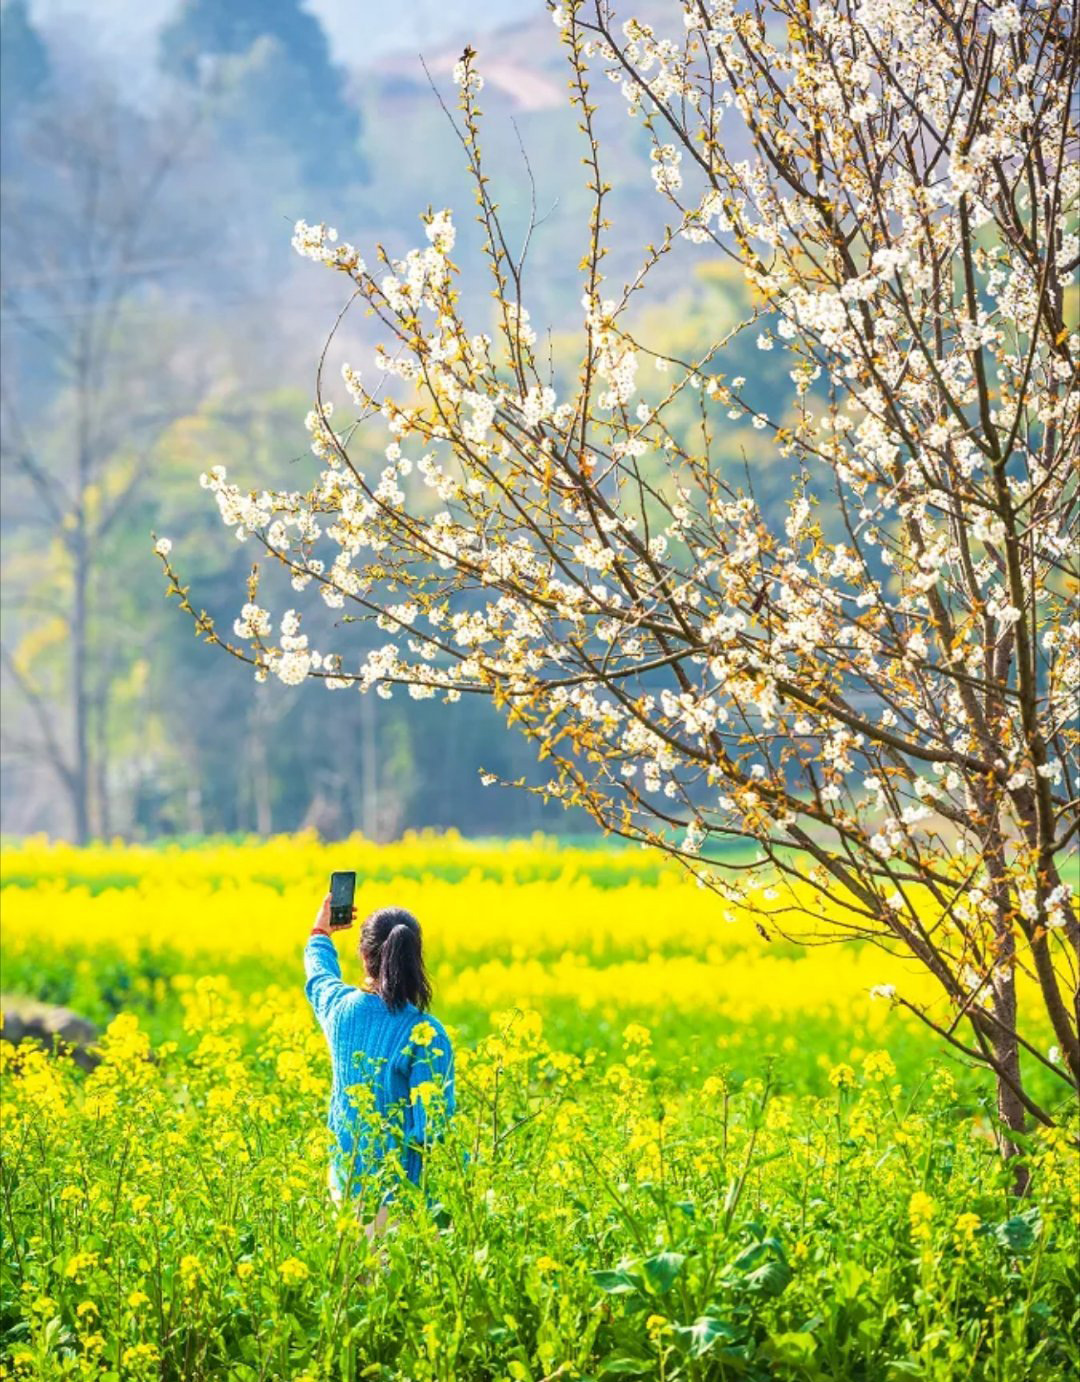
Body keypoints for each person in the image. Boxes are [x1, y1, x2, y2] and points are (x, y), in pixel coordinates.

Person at [304, 894, 455, 1235]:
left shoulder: (338, 1010)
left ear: (364, 954)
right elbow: (432, 1131)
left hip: (342, 1186)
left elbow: (318, 977)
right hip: (399, 1199)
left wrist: (321, 931)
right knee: (392, 1288)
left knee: (351, 1284)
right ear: (415, 957)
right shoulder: (424, 1034)